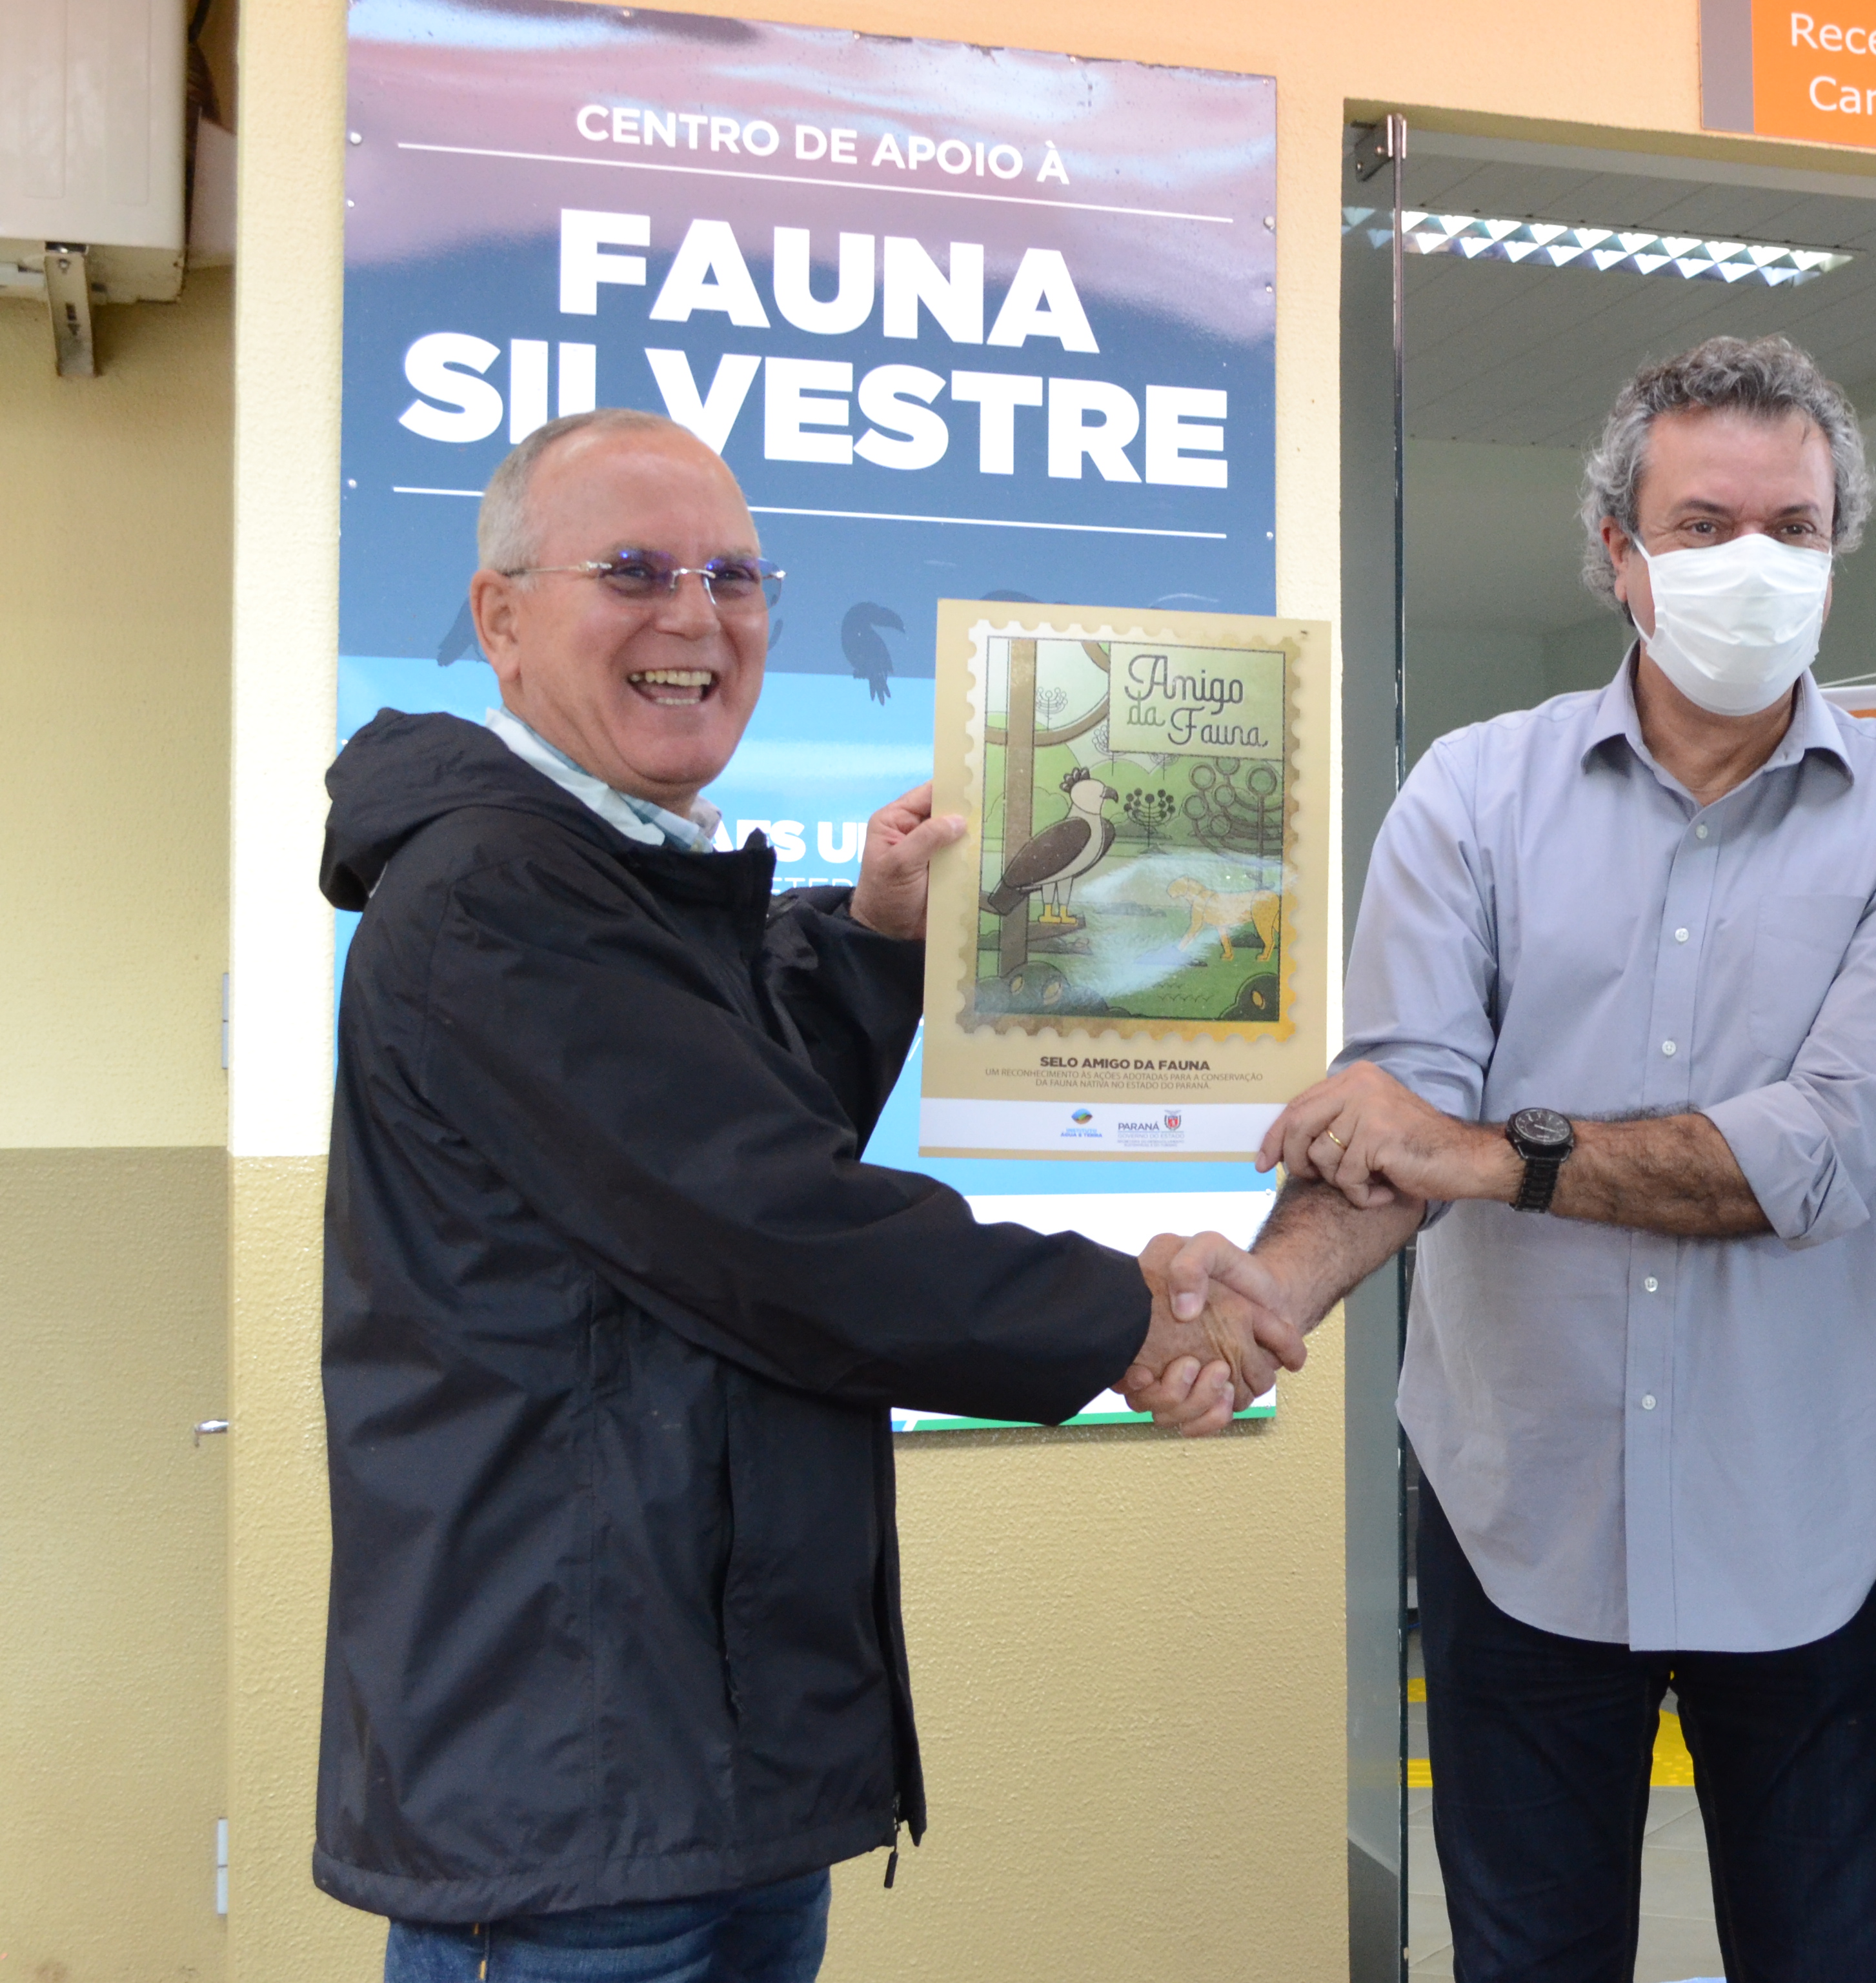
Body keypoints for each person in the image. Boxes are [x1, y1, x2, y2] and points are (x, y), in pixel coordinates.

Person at [314, 407, 1294, 1983]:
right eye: (633, 570)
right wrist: (1127, 1310)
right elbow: (767, 1227)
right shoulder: (499, 892)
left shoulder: (620, 868)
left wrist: (879, 938)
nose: (696, 615)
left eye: (735, 577)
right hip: (582, 1786)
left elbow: (722, 1136)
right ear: (500, 618)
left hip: (696, 1758)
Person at [1129, 335, 1876, 1980]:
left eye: (1795, 528)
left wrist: (1484, 1157)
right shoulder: (1473, 791)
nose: (1754, 562)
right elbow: (1398, 1105)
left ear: (1838, 552)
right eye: (1702, 525)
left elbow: (1818, 1155)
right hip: (1517, 1513)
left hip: (1803, 1532)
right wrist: (1266, 1300)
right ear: (1618, 552)